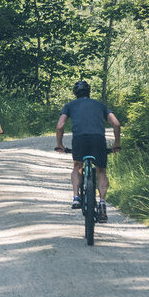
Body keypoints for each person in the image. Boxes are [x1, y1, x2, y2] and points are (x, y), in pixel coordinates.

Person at [55, 80, 121, 222]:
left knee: (77, 166)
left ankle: (76, 197)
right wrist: (117, 144)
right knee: (101, 171)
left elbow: (60, 126)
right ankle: (102, 203)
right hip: (98, 139)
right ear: (89, 92)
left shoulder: (69, 105)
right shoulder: (100, 105)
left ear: (75, 93)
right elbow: (116, 123)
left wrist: (59, 144)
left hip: (80, 139)